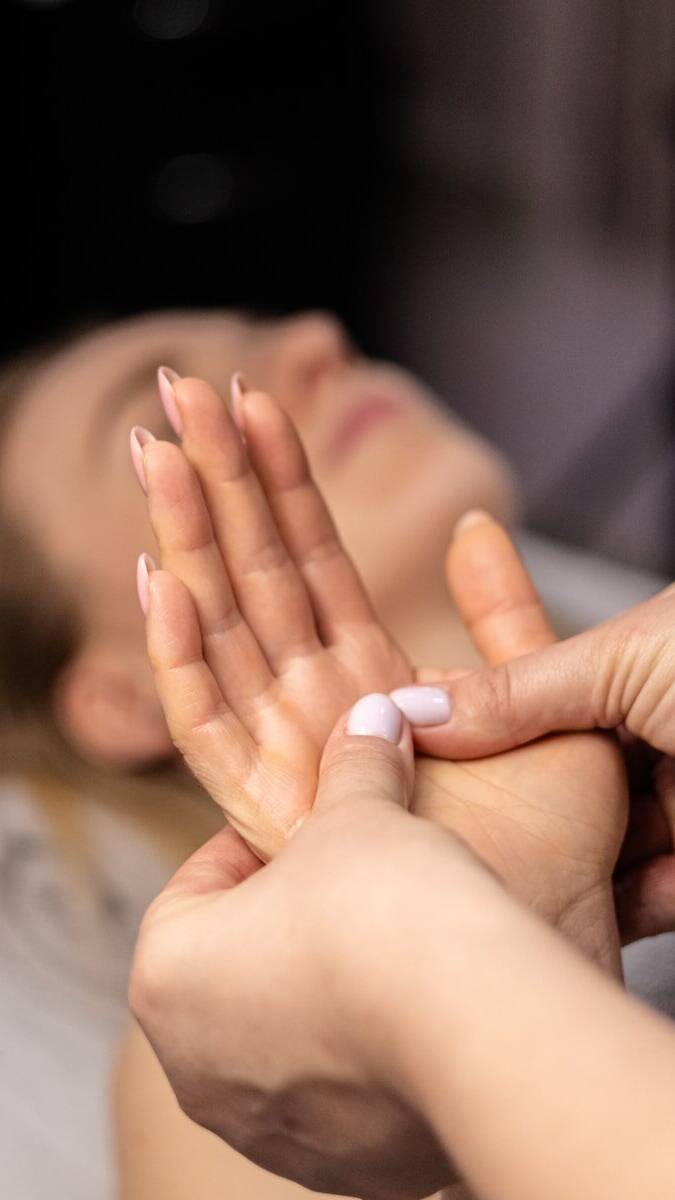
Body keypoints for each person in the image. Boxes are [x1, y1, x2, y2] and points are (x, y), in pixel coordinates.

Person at [0, 308, 516, 1200]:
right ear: (127, 697)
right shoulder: (248, 1105)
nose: (320, 337)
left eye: (257, 332)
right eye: (167, 428)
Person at [127, 376, 675, 1200]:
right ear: (111, 694)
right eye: (151, 424)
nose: (312, 338)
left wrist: (453, 992)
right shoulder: (241, 1043)